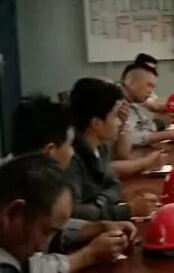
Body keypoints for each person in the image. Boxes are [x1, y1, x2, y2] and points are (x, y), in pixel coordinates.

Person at [0, 96, 135, 273]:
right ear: (49, 151)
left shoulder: (18, 170)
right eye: (70, 145)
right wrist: (88, 255)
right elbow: (27, 271)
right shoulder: (15, 192)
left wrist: (97, 227)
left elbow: (47, 223)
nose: (72, 153)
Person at [66, 78, 162, 221]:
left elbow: (115, 185)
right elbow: (73, 212)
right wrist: (127, 210)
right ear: (96, 123)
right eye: (115, 115)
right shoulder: (70, 158)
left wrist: (100, 202)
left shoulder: (101, 146)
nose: (119, 122)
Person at [116, 62, 174, 158]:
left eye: (152, 87)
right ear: (130, 82)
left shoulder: (133, 100)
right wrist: (169, 135)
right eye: (149, 85)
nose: (150, 92)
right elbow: (131, 138)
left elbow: (145, 127)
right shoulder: (115, 102)